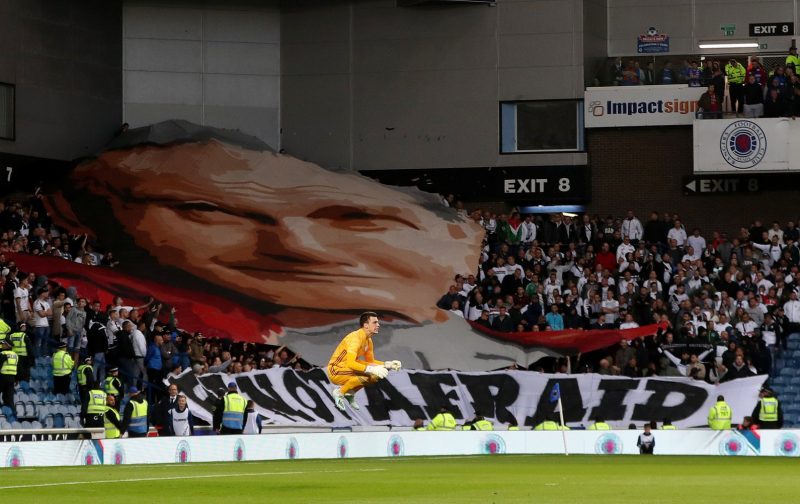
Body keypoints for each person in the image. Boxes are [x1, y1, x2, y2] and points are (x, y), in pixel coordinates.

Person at [326, 312, 401, 411]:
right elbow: (351, 363)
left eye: (377, 322)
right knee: (370, 373)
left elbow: (371, 362)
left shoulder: (368, 341)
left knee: (374, 376)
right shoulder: (355, 339)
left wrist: (388, 364)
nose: (378, 325)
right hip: (335, 370)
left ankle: (350, 393)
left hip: (346, 367)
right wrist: (371, 369)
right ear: (366, 325)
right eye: (375, 322)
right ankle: (339, 393)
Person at [0, 340, 17, 409]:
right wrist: (17, 379)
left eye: (3, 344)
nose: (2, 345)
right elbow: (18, 368)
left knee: (7, 397)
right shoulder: (15, 355)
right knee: (9, 398)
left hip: (2, 377)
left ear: (8, 345)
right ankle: (12, 415)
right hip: (11, 378)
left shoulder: (2, 353)